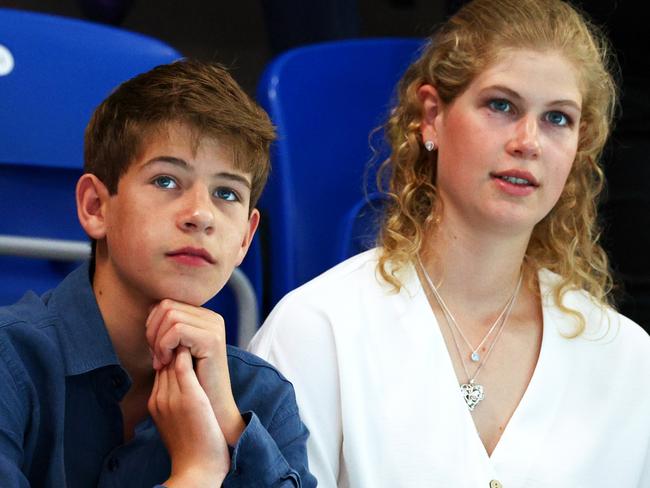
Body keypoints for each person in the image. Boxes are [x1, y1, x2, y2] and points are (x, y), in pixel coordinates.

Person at [249, 0, 650, 486]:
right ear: (433, 116)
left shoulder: (625, 356)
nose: (529, 142)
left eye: (557, 119)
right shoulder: (319, 329)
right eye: (501, 106)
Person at [0, 60, 316, 487]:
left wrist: (226, 422)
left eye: (227, 193)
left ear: (245, 237)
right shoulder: (10, 360)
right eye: (166, 181)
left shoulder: (262, 398)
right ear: (95, 206)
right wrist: (198, 473)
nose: (201, 214)